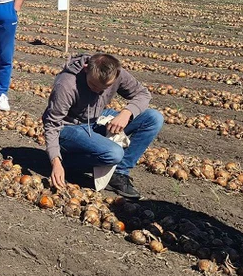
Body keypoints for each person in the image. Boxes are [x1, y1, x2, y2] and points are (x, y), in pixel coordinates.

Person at [43, 53, 164, 200]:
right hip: (69, 127)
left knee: (153, 118)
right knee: (114, 153)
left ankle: (118, 173)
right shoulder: (67, 84)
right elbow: (52, 123)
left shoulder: (117, 74)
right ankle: (68, 162)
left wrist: (127, 113)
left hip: (96, 119)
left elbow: (143, 94)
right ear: (86, 69)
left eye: (105, 87)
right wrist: (55, 160)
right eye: (93, 85)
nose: (98, 91)